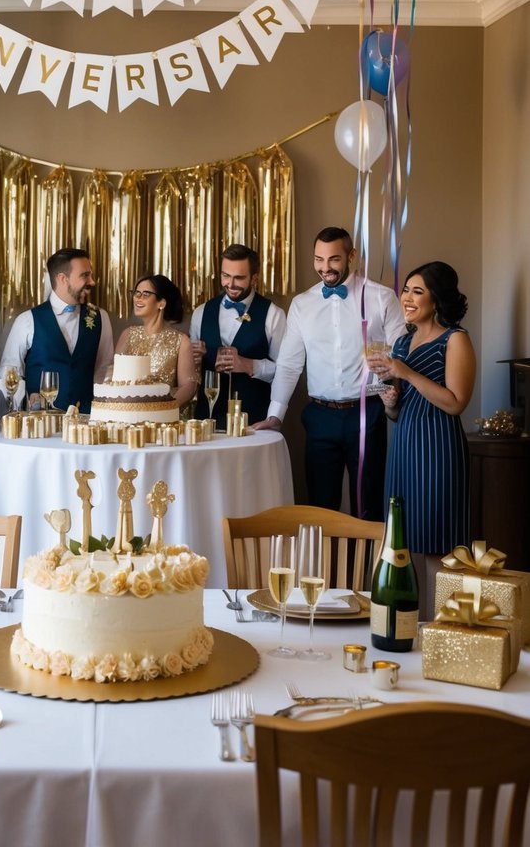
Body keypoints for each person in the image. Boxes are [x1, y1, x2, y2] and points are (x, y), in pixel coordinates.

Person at [252, 226, 406, 521]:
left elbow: (402, 353)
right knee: (321, 508)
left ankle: (366, 568)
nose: (325, 268)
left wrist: (391, 389)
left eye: (333, 259)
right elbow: (288, 364)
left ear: (352, 256)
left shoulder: (382, 298)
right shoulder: (302, 304)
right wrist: (276, 415)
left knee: (369, 505)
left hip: (367, 412)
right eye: (318, 260)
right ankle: (324, 569)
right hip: (320, 416)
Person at [368, 261, 475, 614]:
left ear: (437, 298)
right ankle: (406, 629)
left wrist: (407, 373)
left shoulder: (455, 339)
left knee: (436, 542)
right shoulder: (402, 341)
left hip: (438, 447)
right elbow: (397, 409)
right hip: (404, 445)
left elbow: (456, 403)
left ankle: (440, 629)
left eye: (418, 291)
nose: (408, 298)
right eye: (406, 290)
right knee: (402, 541)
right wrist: (389, 402)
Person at [0, 247, 114, 413]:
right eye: (85, 275)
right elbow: (9, 373)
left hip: (86, 423)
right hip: (41, 426)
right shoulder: (27, 320)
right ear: (62, 279)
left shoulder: (101, 317)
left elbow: (104, 370)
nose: (92, 281)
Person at [189, 243, 286, 429]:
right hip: (207, 420)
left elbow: (285, 371)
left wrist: (249, 365)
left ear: (254, 278)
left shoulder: (274, 314)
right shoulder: (201, 313)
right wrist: (195, 360)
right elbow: (192, 376)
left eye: (239, 278)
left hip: (254, 421)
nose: (230, 284)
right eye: (226, 276)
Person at [115, 274, 197, 408]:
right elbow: (114, 376)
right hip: (126, 416)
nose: (138, 298)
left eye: (146, 294)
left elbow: (189, 386)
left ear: (161, 303)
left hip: (162, 423)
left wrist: (163, 408)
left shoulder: (181, 341)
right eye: (137, 293)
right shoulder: (127, 335)